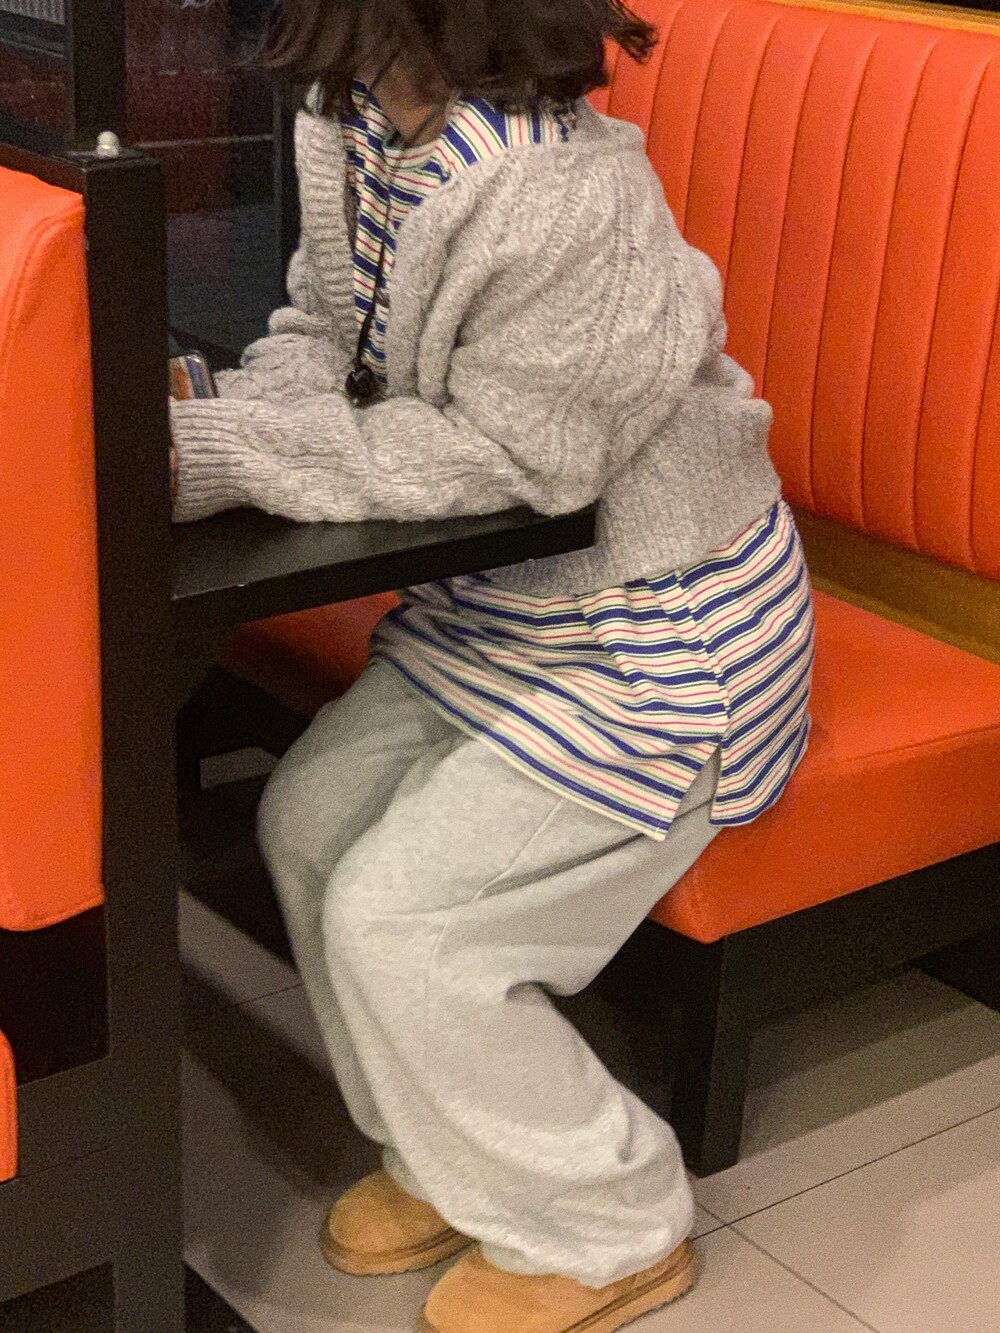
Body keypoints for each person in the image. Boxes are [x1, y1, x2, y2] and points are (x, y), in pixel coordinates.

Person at [168, 2, 815, 1328]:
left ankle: (608, 1221)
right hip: (497, 615)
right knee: (303, 822)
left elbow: (518, 462)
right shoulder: (348, 117)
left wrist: (226, 454)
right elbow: (320, 331)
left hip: (660, 637)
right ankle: (456, 1156)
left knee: (402, 923)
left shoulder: (569, 197)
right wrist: (238, 417)